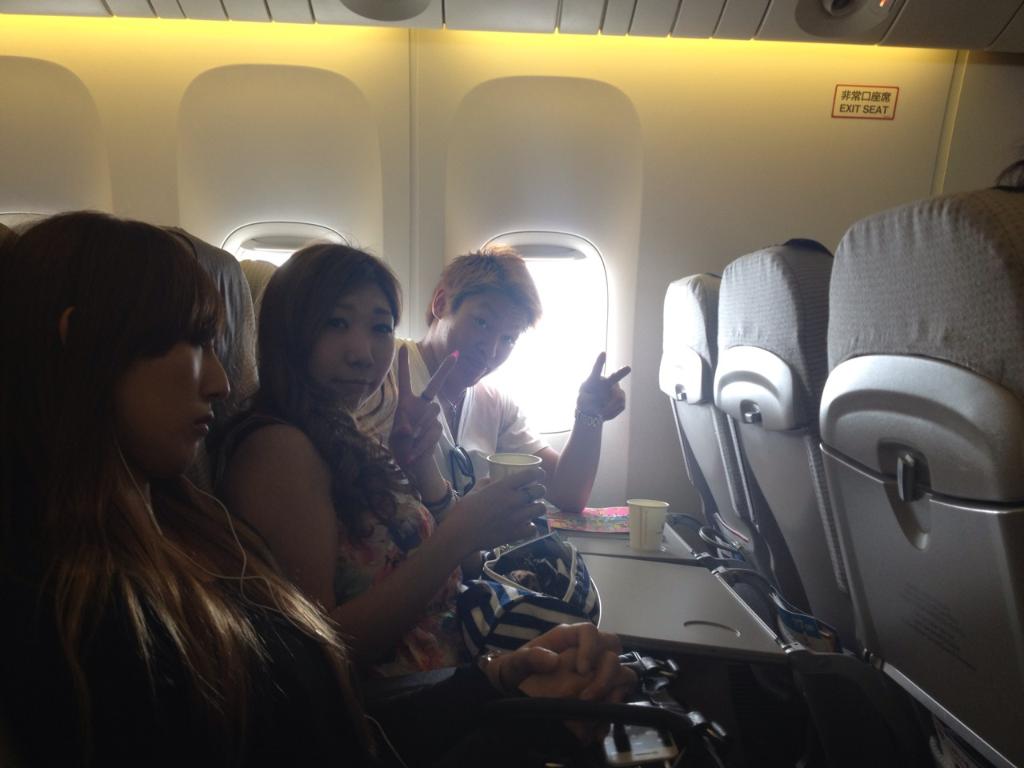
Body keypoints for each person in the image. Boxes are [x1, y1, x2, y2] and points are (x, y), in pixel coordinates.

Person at [0, 212, 634, 767]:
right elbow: (327, 696)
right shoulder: (83, 610)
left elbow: (315, 716)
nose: (221, 382)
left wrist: (498, 682)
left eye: (380, 328)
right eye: (191, 341)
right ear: (83, 345)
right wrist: (519, 731)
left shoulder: (179, 524)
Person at [218, 243, 555, 675]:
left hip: (459, 660)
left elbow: (460, 563)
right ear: (290, 329)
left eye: (380, 327)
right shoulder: (279, 451)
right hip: (407, 699)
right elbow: (318, 651)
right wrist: (458, 534)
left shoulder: (345, 435)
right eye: (336, 323)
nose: (363, 353)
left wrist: (419, 465)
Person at [357, 246, 631, 514]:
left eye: (508, 338)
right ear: (441, 304)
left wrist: (588, 416)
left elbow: (567, 493)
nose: (490, 351)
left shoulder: (495, 404)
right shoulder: (383, 368)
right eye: (482, 323)